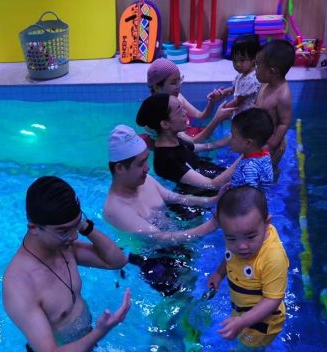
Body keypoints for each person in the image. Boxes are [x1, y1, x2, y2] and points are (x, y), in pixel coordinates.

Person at [2, 177, 130, 352]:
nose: (72, 237)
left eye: (75, 227)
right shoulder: (20, 284)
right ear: (33, 228)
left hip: (88, 344)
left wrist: (85, 226)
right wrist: (100, 332)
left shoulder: (64, 247)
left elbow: (117, 260)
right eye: (63, 231)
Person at [102, 124, 218, 296]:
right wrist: (211, 225)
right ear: (119, 168)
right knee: (181, 298)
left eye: (146, 160)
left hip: (175, 242)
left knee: (193, 284)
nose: (147, 168)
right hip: (154, 260)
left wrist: (212, 200)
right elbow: (159, 238)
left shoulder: (145, 180)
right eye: (140, 164)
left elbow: (175, 198)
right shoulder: (115, 209)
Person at [207, 186, 288, 352]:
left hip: (263, 322)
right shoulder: (239, 234)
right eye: (231, 238)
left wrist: (242, 322)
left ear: (267, 224)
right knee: (243, 343)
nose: (241, 246)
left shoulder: (272, 258)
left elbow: (273, 300)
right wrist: (219, 274)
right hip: (243, 310)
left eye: (251, 236)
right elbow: (229, 256)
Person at [136, 93, 239, 193]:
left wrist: (238, 136)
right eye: (179, 110)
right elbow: (212, 185)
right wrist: (245, 156)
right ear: (165, 124)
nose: (185, 112)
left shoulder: (175, 141)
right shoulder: (166, 160)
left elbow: (208, 146)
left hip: (210, 176)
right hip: (202, 194)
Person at [146, 58, 226, 143]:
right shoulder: (158, 113)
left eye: (179, 80)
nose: (178, 86)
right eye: (173, 83)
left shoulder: (177, 97)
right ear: (157, 87)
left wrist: (211, 102)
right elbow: (192, 142)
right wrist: (217, 119)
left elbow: (200, 115)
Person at [254, 40, 295, 165]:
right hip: (259, 137)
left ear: (272, 72)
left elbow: (284, 124)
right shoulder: (265, 84)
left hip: (272, 145)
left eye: (258, 65)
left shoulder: (283, 95)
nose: (255, 69)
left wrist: (271, 145)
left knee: (268, 170)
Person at [227, 108, 275, 194]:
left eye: (233, 136)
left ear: (248, 143)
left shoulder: (248, 169)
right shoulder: (265, 154)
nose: (230, 139)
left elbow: (248, 198)